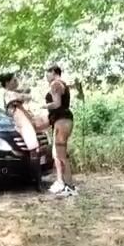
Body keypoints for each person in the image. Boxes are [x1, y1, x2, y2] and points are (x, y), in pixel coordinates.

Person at [44, 65, 77, 196]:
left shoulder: (56, 84)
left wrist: (44, 106)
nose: (46, 76)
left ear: (54, 72)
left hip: (62, 120)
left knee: (61, 154)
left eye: (47, 73)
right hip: (60, 120)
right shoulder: (61, 84)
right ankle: (61, 182)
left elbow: (57, 104)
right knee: (56, 154)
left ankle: (70, 187)